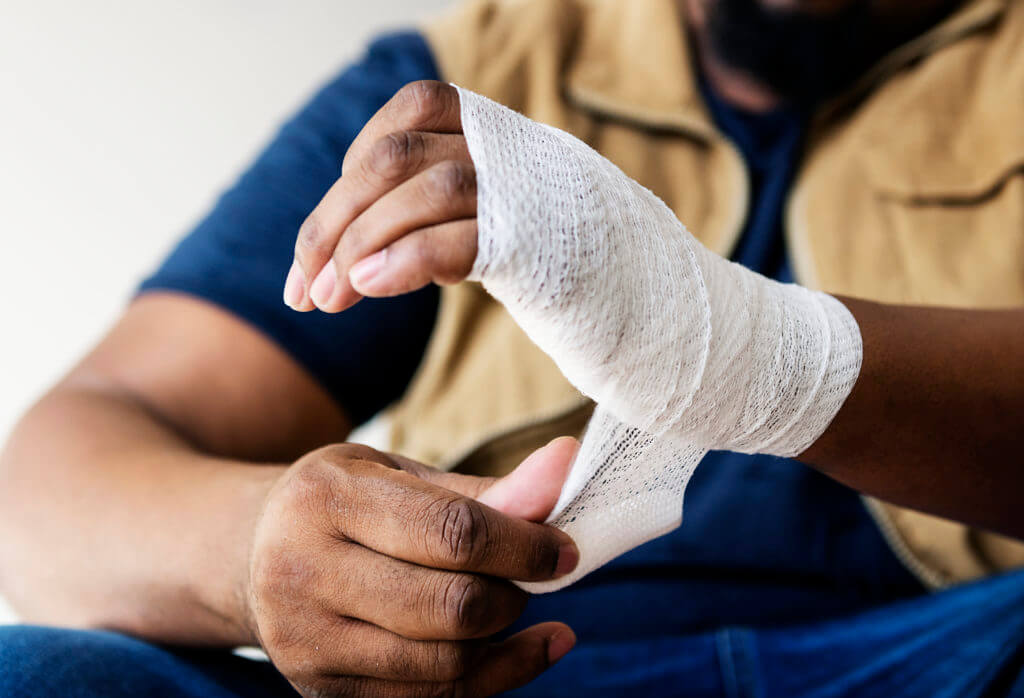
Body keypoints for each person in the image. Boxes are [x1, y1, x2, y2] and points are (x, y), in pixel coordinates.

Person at [3, 0, 1024, 695]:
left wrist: (751, 355)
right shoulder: (465, 81)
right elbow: (53, 483)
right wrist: (258, 549)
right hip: (504, 666)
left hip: (945, 651)